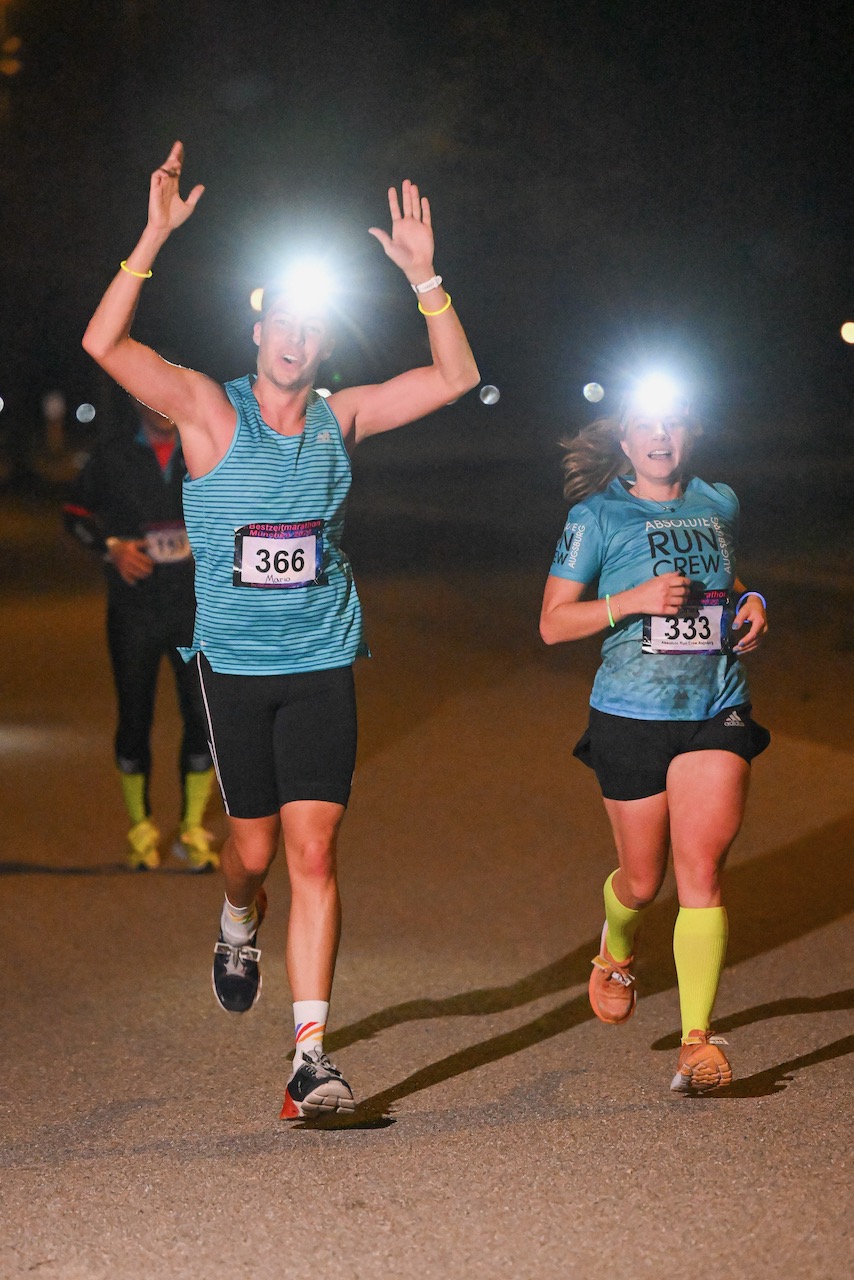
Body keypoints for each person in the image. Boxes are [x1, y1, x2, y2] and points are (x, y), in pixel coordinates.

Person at [82, 141, 480, 1119]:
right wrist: (153, 235)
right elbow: (105, 346)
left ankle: (310, 1054)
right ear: (258, 325)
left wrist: (424, 275)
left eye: (311, 322)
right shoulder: (210, 412)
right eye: (279, 318)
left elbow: (456, 376)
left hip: (322, 662)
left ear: (323, 342)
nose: (292, 335)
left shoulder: (343, 419)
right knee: (251, 854)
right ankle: (234, 918)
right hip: (235, 667)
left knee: (314, 853)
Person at [539, 374, 769, 1095]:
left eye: (674, 424)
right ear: (626, 440)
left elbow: (729, 584)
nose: (661, 438)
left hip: (715, 707)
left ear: (690, 434)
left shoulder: (720, 501)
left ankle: (698, 1041)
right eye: (646, 426)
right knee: (643, 881)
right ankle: (617, 946)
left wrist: (754, 602)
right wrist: (631, 600)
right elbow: (552, 623)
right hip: (630, 714)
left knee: (701, 874)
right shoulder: (596, 515)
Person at [64, 400, 218, 871]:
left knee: (202, 716)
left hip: (194, 609)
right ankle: (141, 831)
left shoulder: (205, 448)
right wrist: (111, 547)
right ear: (135, 397)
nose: (164, 404)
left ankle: (191, 829)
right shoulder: (110, 454)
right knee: (134, 717)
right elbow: (73, 514)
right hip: (133, 609)